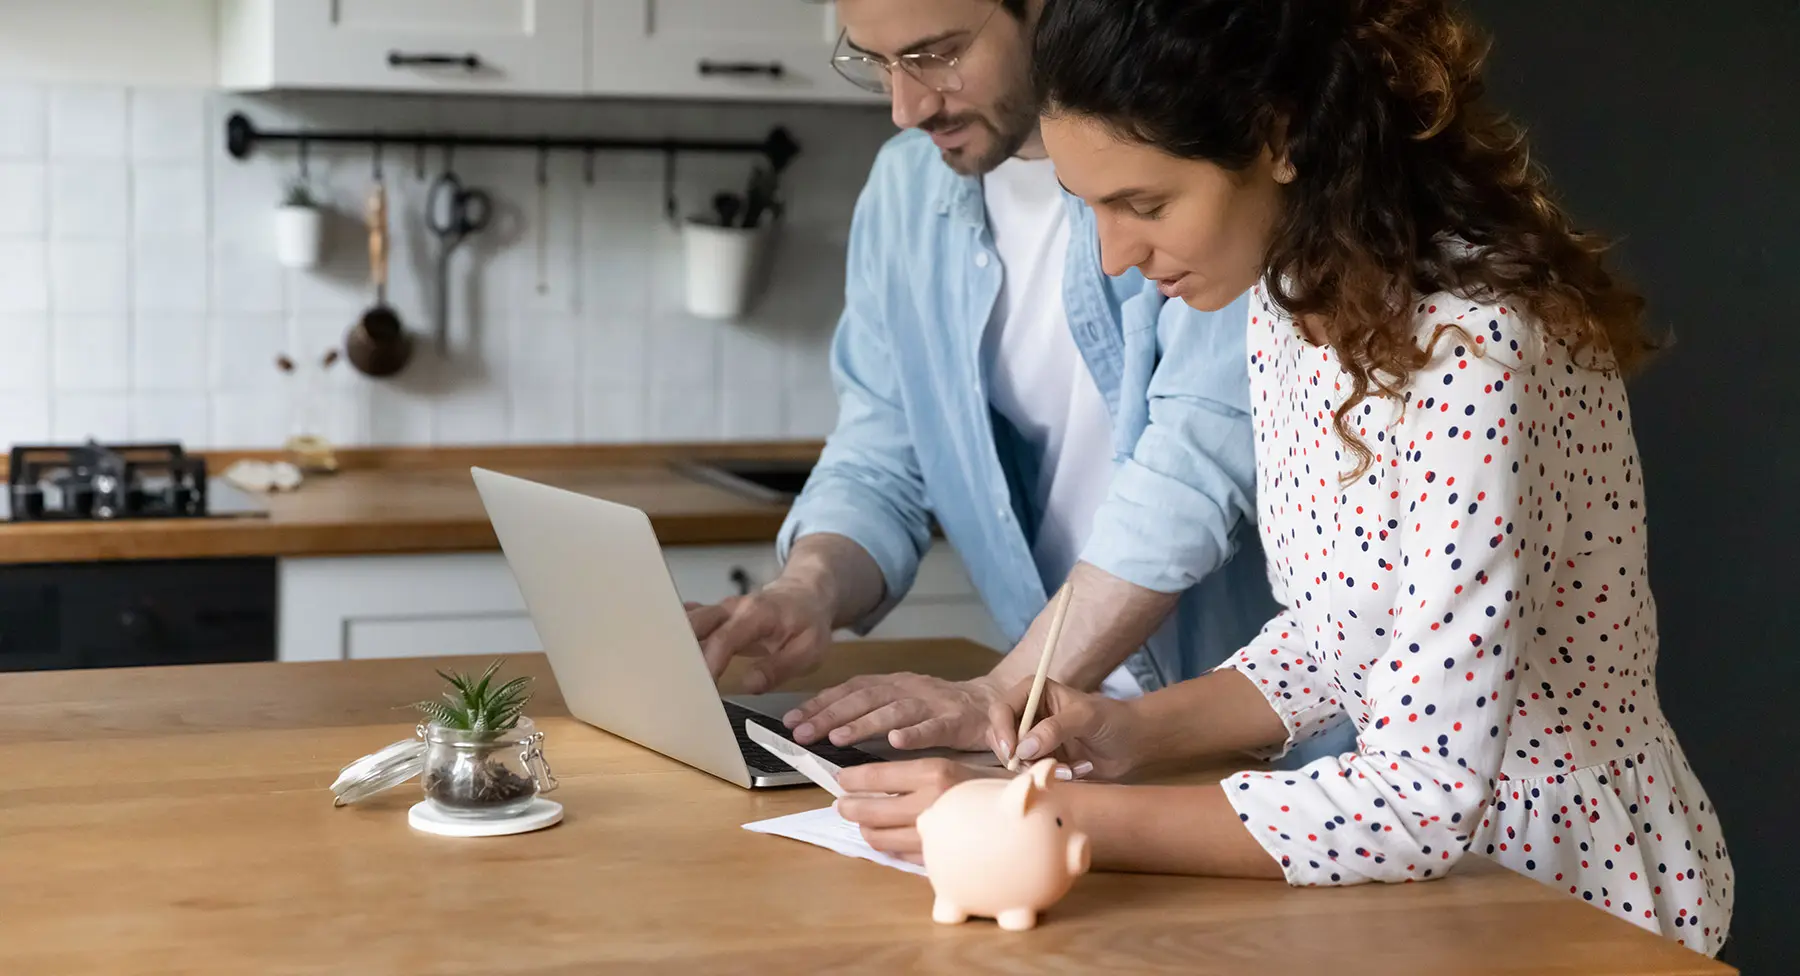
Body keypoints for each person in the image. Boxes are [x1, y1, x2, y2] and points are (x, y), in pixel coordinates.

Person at [832, 0, 1734, 956]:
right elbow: (1339, 635)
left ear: (1276, 139)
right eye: (1086, 204)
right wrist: (1127, 733)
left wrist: (1049, 817)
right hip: (1425, 893)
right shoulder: (1291, 298)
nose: (1116, 258)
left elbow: (1422, 796)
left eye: (1144, 205)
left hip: (1560, 894)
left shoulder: (1475, 350)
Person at [686, 0, 1349, 767]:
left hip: (1271, 745)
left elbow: (1189, 476)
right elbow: (881, 454)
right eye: (875, 62)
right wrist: (807, 589)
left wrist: (1001, 690)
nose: (906, 107)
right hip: (1067, 740)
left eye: (935, 55)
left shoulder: (1204, 182)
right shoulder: (905, 197)